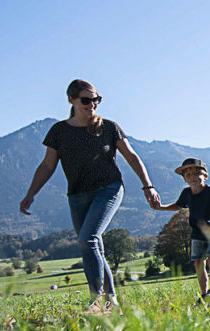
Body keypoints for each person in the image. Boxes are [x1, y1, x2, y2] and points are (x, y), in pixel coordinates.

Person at [20, 79, 161, 315]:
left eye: (96, 99)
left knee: (88, 239)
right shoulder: (59, 132)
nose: (92, 104)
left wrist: (148, 186)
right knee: (93, 247)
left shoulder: (109, 127)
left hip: (108, 188)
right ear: (72, 100)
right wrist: (31, 193)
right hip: (77, 195)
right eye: (86, 100)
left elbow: (131, 156)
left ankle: (97, 301)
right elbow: (47, 166)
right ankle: (111, 303)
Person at [150, 158, 210, 305]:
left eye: (196, 174)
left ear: (205, 176)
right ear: (185, 179)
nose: (192, 177)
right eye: (188, 175)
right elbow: (178, 206)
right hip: (197, 233)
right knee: (198, 263)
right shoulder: (186, 193)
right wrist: (160, 207)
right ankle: (204, 295)